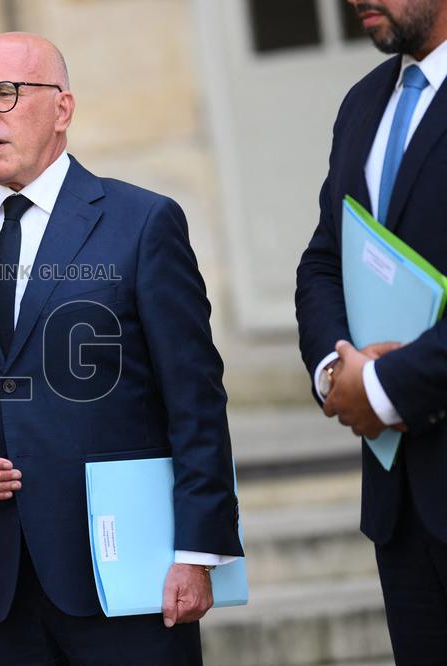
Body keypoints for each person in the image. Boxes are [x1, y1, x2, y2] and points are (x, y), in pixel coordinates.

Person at [0, 32, 241, 665]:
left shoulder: (142, 223)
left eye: (4, 93)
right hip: (5, 584)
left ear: (62, 108)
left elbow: (195, 398)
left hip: (127, 574)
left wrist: (197, 552)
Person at [295, 0, 447, 660]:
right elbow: (325, 258)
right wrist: (339, 373)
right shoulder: (362, 103)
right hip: (402, 508)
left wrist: (386, 387)